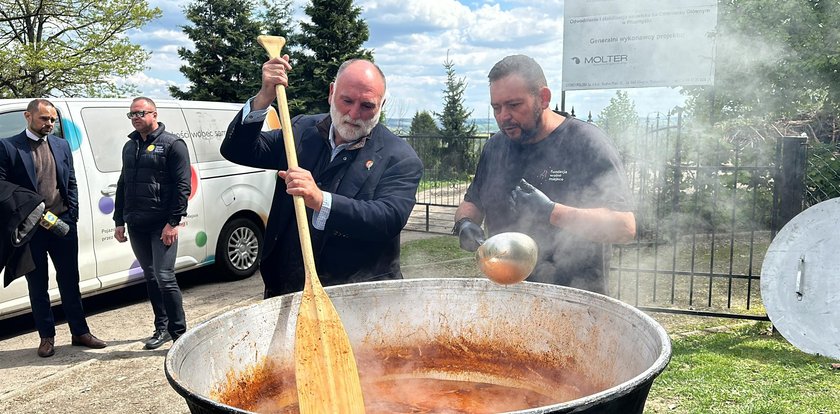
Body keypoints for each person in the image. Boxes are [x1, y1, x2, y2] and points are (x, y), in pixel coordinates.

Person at [221, 56, 423, 298]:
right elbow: (238, 149)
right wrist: (264, 97)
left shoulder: (399, 157)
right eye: (346, 100)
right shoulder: (299, 130)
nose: (353, 113)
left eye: (367, 105)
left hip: (358, 298)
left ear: (382, 104)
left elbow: (387, 219)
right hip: (286, 289)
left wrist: (321, 200)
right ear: (331, 93)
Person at [453, 55, 636, 294]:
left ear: (544, 97)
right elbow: (472, 203)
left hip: (575, 297)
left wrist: (551, 212)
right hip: (507, 292)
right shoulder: (495, 147)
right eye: (496, 107)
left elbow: (624, 228)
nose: (503, 116)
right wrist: (464, 223)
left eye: (514, 105)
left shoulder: (586, 143)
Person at [0, 99, 107, 357]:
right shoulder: (8, 147)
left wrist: (73, 216)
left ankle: (80, 332)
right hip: (32, 229)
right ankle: (46, 337)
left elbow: (70, 181)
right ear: (28, 116)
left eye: (52, 120)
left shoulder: (61, 144)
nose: (49, 124)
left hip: (62, 224)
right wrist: (28, 208)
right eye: (44, 119)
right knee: (37, 286)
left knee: (70, 281)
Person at [113, 97, 190, 350]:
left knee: (165, 276)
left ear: (154, 114)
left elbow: (182, 186)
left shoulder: (173, 144)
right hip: (136, 223)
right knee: (151, 277)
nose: (135, 117)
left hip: (161, 224)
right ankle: (162, 327)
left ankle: (179, 334)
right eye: (131, 114)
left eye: (140, 113)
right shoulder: (129, 146)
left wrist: (173, 223)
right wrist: (119, 220)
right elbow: (124, 184)